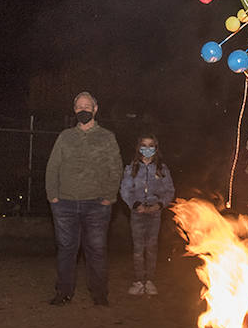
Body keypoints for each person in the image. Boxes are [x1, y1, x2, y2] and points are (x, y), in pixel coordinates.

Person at [45, 91, 122, 306]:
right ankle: (64, 292)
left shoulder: (107, 137)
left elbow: (115, 168)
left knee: (96, 250)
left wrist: (108, 197)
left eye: (87, 106)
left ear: (95, 109)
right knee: (66, 250)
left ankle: (99, 294)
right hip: (65, 204)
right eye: (79, 107)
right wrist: (53, 196)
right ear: (74, 110)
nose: (83, 110)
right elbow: (53, 167)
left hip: (97, 205)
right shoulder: (65, 137)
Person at [119, 134, 176, 297]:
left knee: (151, 247)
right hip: (137, 213)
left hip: (155, 213)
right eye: (144, 145)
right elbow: (125, 190)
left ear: (156, 148)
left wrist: (159, 205)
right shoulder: (131, 168)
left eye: (151, 145)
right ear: (139, 148)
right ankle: (138, 281)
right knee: (138, 248)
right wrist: (136, 205)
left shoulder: (162, 169)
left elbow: (169, 190)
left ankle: (149, 281)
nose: (147, 148)